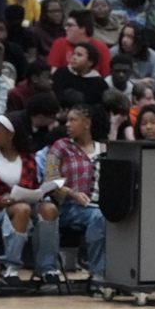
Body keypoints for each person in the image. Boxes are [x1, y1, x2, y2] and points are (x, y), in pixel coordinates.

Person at [0, 114, 60, 284]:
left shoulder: (27, 157)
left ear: (11, 135)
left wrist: (39, 192)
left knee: (49, 209)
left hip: (25, 203)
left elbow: (33, 186)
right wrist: (0, 201)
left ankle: (47, 268)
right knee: (22, 209)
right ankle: (10, 268)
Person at [43, 103, 107, 288]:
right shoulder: (60, 146)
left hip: (99, 204)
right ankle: (98, 272)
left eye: (73, 120)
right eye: (67, 120)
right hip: (68, 207)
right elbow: (50, 179)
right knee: (98, 218)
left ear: (87, 123)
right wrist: (72, 193)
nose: (68, 125)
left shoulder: (104, 148)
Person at [46, 9, 112, 77]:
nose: (66, 28)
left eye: (70, 25)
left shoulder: (101, 48)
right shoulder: (59, 43)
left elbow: (106, 76)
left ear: (82, 29)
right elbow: (53, 72)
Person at [117, 22, 155, 93]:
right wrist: (138, 82)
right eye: (123, 36)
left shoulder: (151, 54)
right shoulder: (115, 52)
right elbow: (112, 79)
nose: (124, 40)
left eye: (130, 37)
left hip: (149, 92)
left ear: (139, 40)